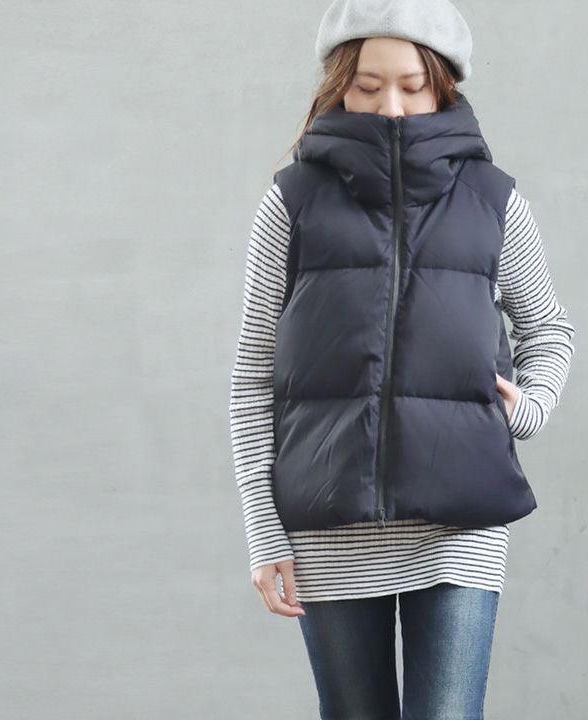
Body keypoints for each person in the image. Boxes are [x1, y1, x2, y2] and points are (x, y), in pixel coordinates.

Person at [228, 0, 577, 718]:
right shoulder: (291, 203)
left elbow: (548, 328)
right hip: (328, 527)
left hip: (459, 523)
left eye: (413, 86)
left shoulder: (493, 201)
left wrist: (531, 407)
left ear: (443, 86)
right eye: (368, 86)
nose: (391, 106)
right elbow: (253, 377)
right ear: (339, 86)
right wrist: (264, 531)